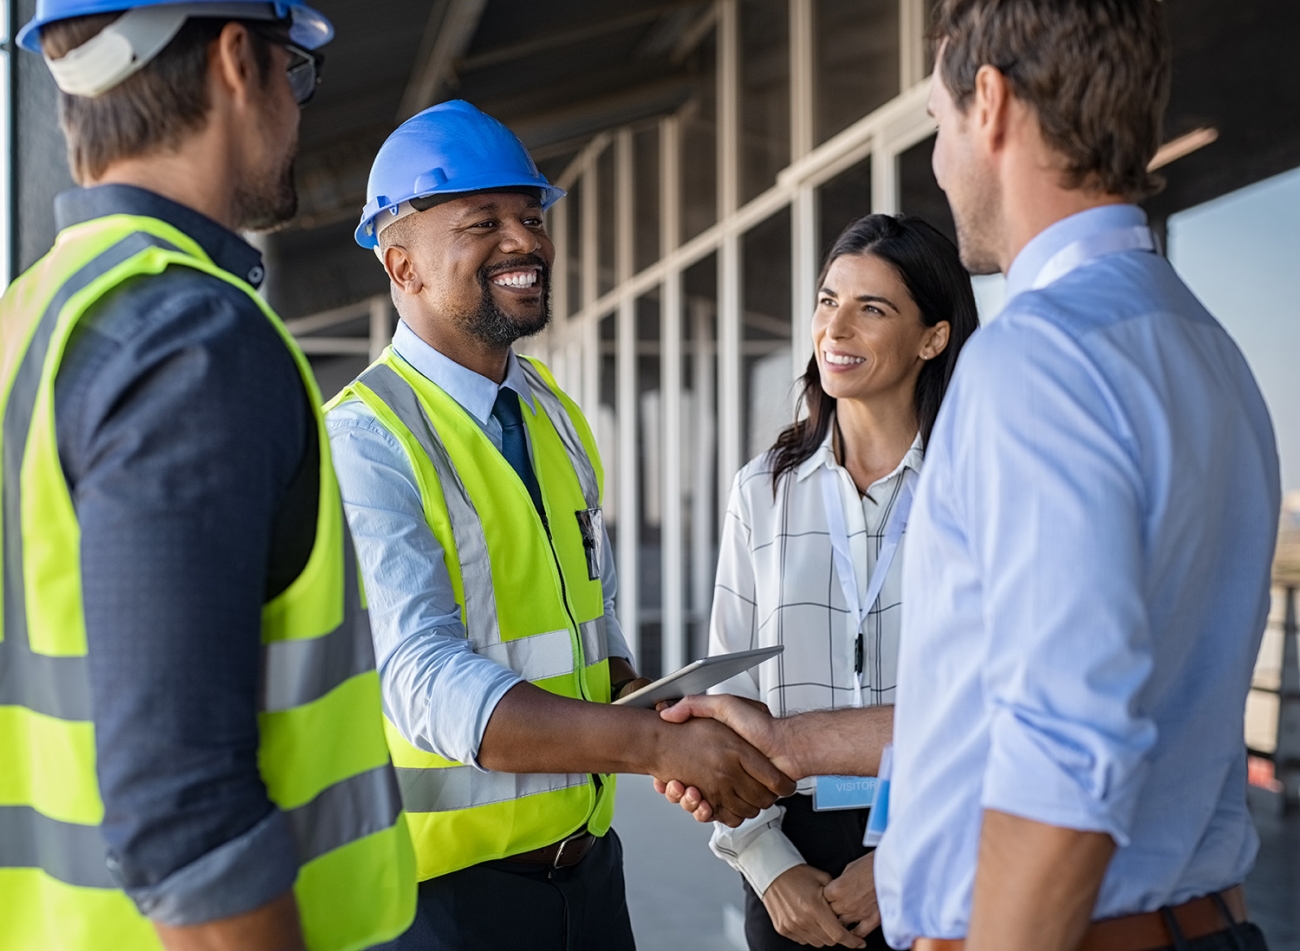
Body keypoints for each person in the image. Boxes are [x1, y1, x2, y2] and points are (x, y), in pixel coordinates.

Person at [660, 1, 1281, 950]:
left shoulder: (1038, 359)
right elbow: (999, 701)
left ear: (987, 104)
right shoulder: (1207, 350)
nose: (942, 159)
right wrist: (788, 747)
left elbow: (1062, 755)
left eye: (937, 124)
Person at [325, 99, 794, 951]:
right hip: (441, 908)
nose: (526, 241)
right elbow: (425, 682)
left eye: (531, 216)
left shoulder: (549, 412)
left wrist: (657, 709)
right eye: (484, 222)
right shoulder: (365, 440)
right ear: (403, 264)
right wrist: (651, 746)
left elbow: (589, 622)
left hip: (588, 878)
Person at [0, 3, 416, 950]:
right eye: (292, 73)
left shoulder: (29, 317)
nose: (297, 110)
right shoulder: (189, 338)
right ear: (237, 59)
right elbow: (186, 822)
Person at [704, 214, 977, 951]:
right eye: (828, 301)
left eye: (871, 308)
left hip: (943, 843)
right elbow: (730, 695)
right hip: (791, 852)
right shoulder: (763, 488)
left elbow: (996, 697)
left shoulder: (976, 487)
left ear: (934, 337)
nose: (836, 327)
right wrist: (767, 864)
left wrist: (905, 858)